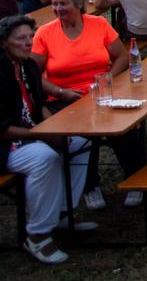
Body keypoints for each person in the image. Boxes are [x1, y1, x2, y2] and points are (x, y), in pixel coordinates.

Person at [33, 0, 147, 209]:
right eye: (55, 4)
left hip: (102, 94)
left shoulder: (98, 24)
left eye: (63, 3)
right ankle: (89, 185)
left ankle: (136, 179)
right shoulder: (45, 33)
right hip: (65, 99)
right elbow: (33, 74)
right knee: (84, 135)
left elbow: (121, 56)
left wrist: (109, 78)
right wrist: (60, 91)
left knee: (125, 129)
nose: (58, 9)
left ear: (79, 4)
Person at [0, 15, 94, 265]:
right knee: (45, 157)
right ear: (3, 43)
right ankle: (37, 235)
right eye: (20, 38)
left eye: (30, 37)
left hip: (31, 131)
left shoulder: (28, 65)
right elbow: (2, 128)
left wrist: (53, 127)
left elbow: (40, 104)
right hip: (6, 143)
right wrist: (41, 135)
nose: (28, 43)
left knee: (79, 141)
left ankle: (61, 212)